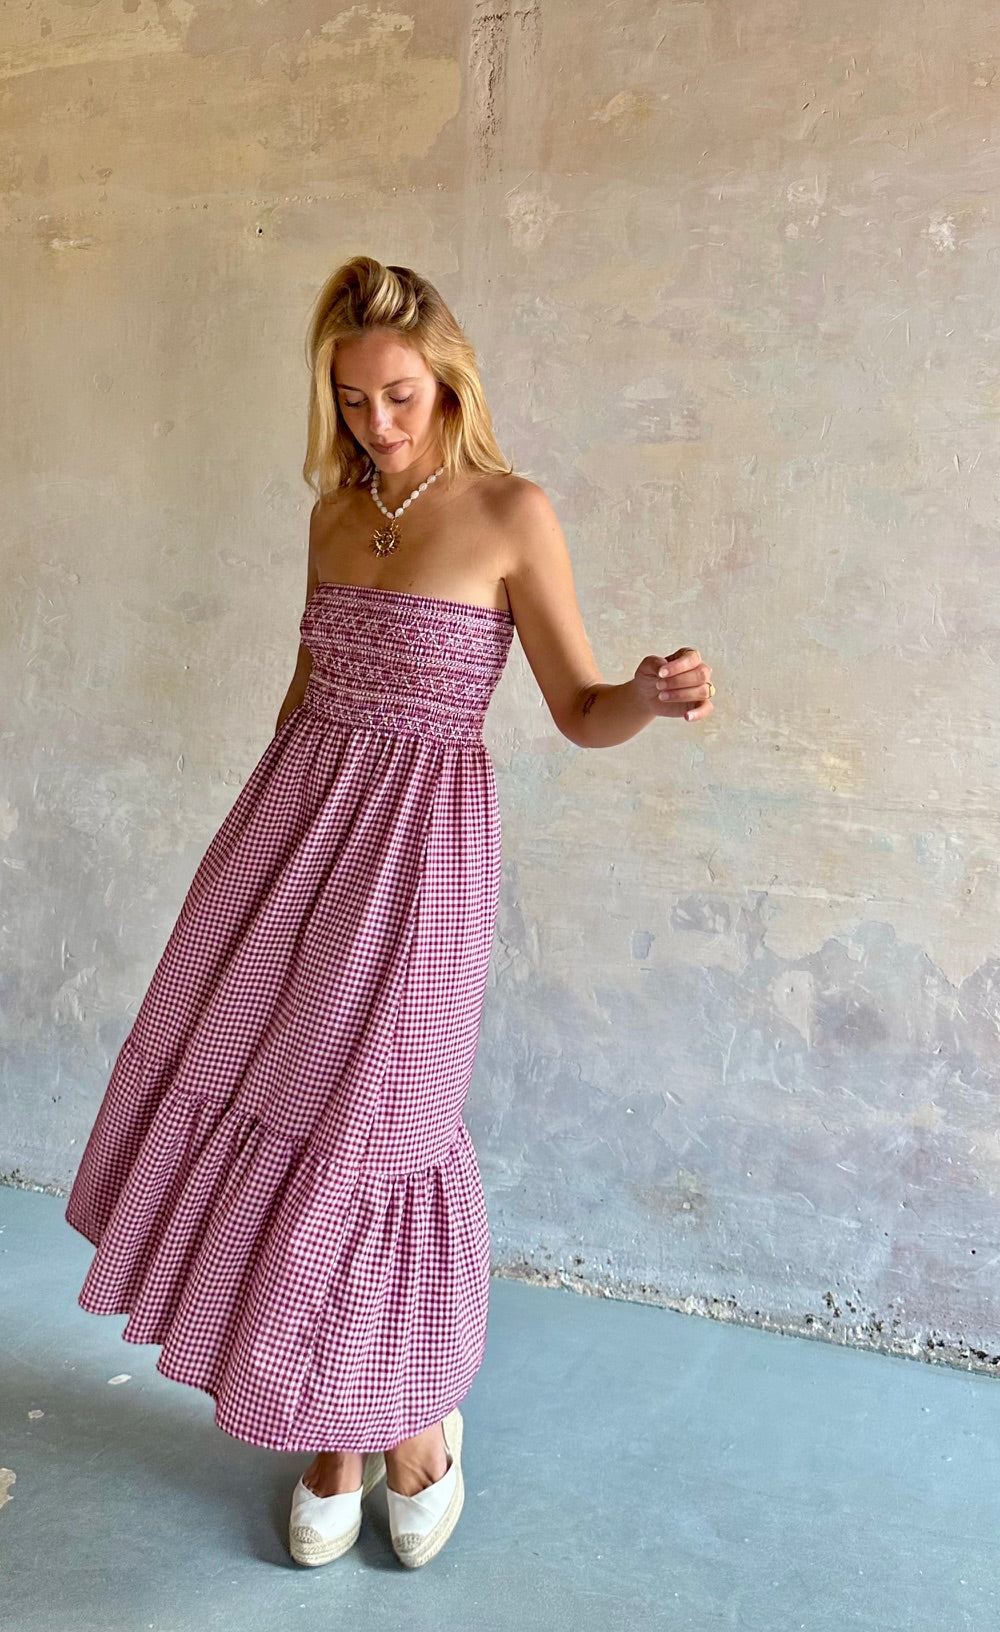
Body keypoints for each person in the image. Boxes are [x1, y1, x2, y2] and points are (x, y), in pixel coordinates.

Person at [64, 255, 716, 1570]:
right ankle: (333, 1435)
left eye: (400, 395)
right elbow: (305, 696)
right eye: (352, 400)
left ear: (450, 380)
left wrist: (647, 698)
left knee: (382, 1132)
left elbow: (579, 710)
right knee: (286, 1110)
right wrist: (248, 860)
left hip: (424, 868)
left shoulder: (511, 513)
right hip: (293, 845)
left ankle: (414, 1423)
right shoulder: (331, 515)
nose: (378, 423)